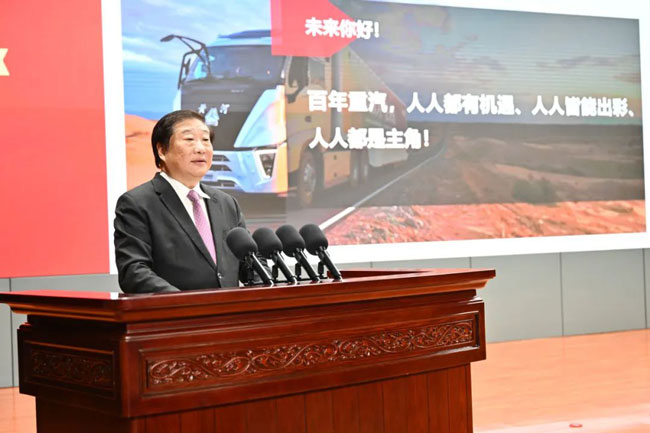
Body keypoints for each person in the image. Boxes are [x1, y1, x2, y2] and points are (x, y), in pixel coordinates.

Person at [114, 110, 247, 293]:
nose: (200, 148)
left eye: (205, 140)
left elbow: (250, 263)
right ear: (162, 151)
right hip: (174, 310)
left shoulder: (226, 203)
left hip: (228, 310)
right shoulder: (137, 203)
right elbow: (134, 272)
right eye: (189, 139)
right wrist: (184, 302)